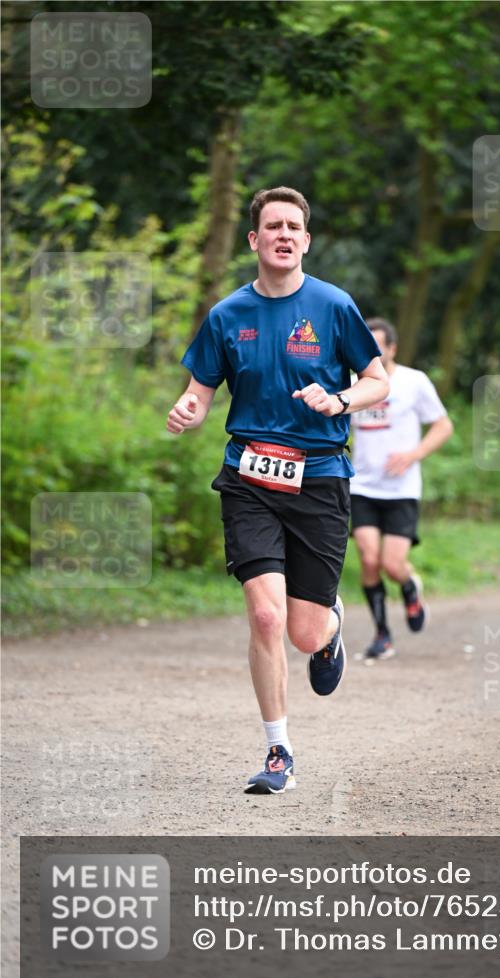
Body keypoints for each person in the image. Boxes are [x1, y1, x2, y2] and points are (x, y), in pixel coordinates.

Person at [166, 187, 388, 794]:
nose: (284, 234)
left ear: (306, 241)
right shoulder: (226, 316)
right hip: (249, 477)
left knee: (304, 632)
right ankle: (278, 752)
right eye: (273, 225)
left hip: (319, 479)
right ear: (255, 240)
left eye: (294, 226)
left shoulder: (333, 305)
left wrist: (340, 398)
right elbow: (200, 390)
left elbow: (378, 381)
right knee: (265, 615)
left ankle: (332, 627)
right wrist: (188, 409)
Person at [350, 317, 453, 661]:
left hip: (401, 489)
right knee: (368, 557)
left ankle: (409, 586)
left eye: (380, 347)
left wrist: (412, 455)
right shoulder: (352, 384)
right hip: (361, 485)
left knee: (393, 565)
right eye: (368, 347)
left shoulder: (413, 382)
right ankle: (382, 635)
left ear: (392, 348)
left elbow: (442, 425)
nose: (374, 354)